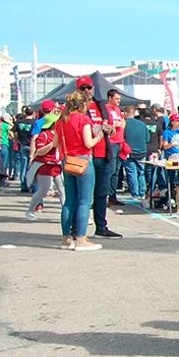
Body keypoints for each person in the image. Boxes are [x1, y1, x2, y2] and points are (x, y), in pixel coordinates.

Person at [56, 91, 104, 252]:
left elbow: (56, 143)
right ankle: (81, 239)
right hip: (83, 161)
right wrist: (99, 136)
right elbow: (88, 143)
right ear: (82, 105)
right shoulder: (84, 119)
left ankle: (65, 238)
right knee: (84, 201)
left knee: (69, 200)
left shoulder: (61, 120)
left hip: (68, 160)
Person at [86, 84, 123, 239]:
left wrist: (110, 129)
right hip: (86, 155)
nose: (87, 91)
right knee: (83, 196)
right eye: (83, 88)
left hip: (105, 153)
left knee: (102, 193)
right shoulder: (76, 107)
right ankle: (75, 232)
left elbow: (114, 129)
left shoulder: (102, 106)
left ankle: (101, 228)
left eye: (89, 88)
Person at [25, 101, 64, 221]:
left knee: (63, 189)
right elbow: (40, 151)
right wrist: (52, 145)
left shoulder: (60, 134)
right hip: (45, 165)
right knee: (43, 190)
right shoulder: (44, 135)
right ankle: (30, 210)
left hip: (57, 165)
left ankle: (66, 213)